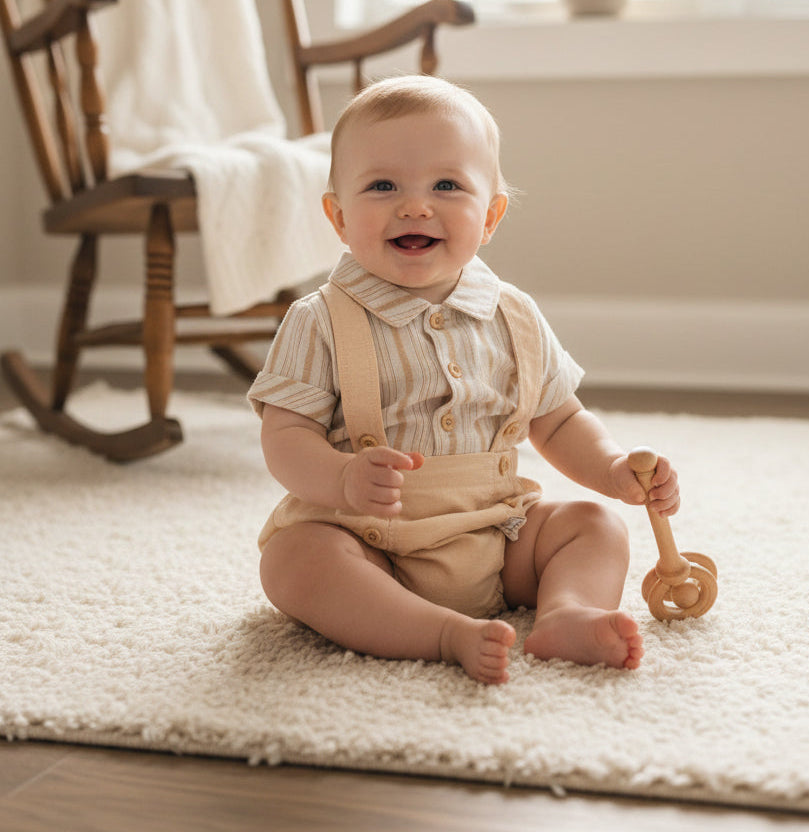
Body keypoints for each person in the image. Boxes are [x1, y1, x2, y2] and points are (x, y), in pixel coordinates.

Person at [248, 75, 679, 684]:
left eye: (447, 185)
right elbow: (284, 435)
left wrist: (612, 469)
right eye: (382, 186)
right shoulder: (319, 320)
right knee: (295, 562)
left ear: (492, 215)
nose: (415, 206)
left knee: (593, 525)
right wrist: (343, 478)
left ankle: (568, 613)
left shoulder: (515, 315)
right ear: (339, 217)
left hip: (497, 534)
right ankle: (439, 634)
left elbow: (559, 419)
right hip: (372, 540)